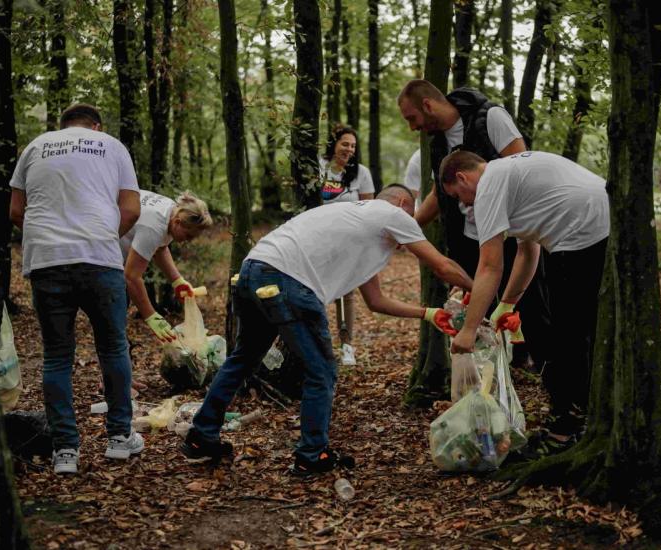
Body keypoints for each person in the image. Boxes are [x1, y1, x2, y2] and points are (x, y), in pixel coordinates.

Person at [181, 185, 473, 474]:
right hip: (289, 279)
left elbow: (376, 301)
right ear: (400, 203)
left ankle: (201, 436)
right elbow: (443, 267)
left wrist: (429, 314)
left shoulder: (358, 224)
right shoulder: (390, 213)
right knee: (320, 370)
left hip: (253, 268)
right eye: (412, 215)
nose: (412, 225)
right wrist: (483, 291)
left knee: (243, 358)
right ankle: (312, 454)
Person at [439, 150, 609, 444]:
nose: (462, 203)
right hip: (600, 220)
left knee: (568, 335)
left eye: (458, 194)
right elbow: (528, 250)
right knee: (582, 329)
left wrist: (468, 332)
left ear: (462, 177)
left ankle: (565, 430)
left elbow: (490, 265)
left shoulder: (489, 186)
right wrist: (506, 303)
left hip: (581, 231)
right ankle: (586, 416)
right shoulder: (509, 173)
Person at [9, 103, 143, 475]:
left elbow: (16, 211)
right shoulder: (111, 146)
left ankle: (65, 450)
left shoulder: (35, 147)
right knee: (113, 346)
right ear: (95, 126)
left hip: (47, 261)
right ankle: (119, 437)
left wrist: (51, 241)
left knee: (56, 356)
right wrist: (99, 238)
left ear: (61, 125)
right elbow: (131, 210)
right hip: (99, 258)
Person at [397, 79, 550, 371]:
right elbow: (438, 194)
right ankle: (494, 379)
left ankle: (546, 371)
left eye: (412, 118)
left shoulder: (489, 118)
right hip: (470, 240)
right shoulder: (438, 142)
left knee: (529, 304)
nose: (412, 127)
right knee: (482, 309)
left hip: (510, 235)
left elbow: (523, 168)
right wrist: (408, 228)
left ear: (427, 105)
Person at [121, 190, 213, 342]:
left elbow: (160, 247)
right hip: (97, 254)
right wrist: (151, 316)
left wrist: (177, 281)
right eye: (188, 236)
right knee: (114, 330)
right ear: (178, 222)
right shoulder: (154, 226)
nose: (188, 241)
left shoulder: (171, 209)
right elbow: (131, 276)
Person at [319, 125, 376, 366]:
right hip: (320, 237)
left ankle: (347, 346)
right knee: (318, 291)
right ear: (334, 144)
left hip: (349, 240)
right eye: (345, 144)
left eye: (352, 146)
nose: (349, 149)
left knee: (346, 293)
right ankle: (319, 344)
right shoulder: (318, 167)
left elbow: (368, 208)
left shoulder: (360, 173)